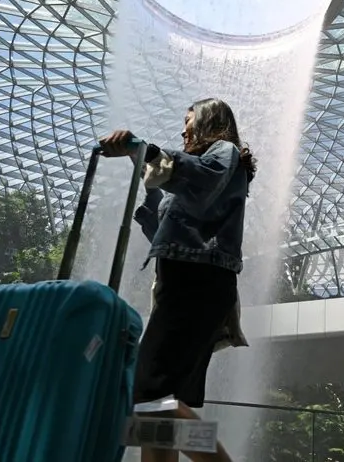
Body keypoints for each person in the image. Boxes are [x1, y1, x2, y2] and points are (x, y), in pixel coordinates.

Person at [99, 98, 255, 462]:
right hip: (185, 285)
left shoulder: (223, 153)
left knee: (150, 396)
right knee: (159, 403)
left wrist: (145, 149)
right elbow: (163, 216)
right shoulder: (208, 165)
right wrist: (136, 157)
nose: (183, 129)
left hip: (196, 284)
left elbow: (199, 180)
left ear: (208, 122)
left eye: (189, 121)